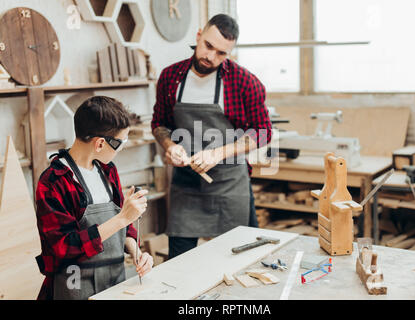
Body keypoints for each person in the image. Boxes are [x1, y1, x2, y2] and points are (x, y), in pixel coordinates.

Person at [151, 14, 272, 259]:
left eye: (221, 53)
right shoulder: (170, 78)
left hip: (230, 185)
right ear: (198, 36)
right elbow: (159, 123)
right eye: (208, 46)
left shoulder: (244, 82)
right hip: (187, 185)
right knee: (178, 263)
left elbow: (263, 131)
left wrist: (218, 153)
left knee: (242, 258)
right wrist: (169, 144)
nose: (211, 57)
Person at [35, 96, 153, 300]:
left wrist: (136, 252)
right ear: (99, 144)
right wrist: (122, 218)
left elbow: (124, 228)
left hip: (115, 282)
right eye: (120, 144)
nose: (120, 151)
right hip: (75, 286)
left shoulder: (107, 170)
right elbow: (63, 247)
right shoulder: (54, 181)